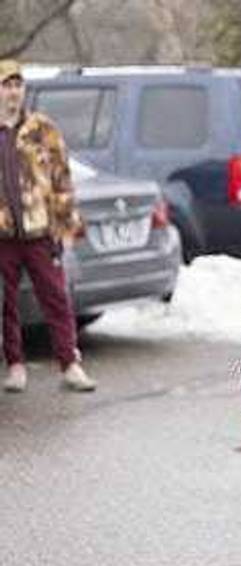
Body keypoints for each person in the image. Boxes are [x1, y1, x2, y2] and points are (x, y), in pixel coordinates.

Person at [0, 59, 96, 394]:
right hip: (4, 236)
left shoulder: (42, 129)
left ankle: (70, 364)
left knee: (55, 297)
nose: (13, 92)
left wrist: (66, 226)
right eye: (6, 85)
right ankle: (15, 366)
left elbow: (62, 180)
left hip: (41, 232)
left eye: (17, 85)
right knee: (6, 303)